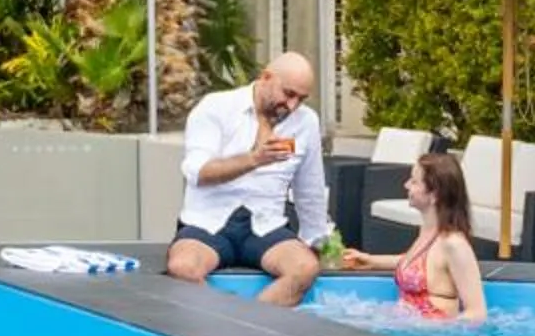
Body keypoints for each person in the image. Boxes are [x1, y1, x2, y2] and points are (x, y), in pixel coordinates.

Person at [167, 52, 330, 305]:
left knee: (304, 269)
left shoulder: (306, 121)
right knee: (183, 268)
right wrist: (254, 159)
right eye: (288, 94)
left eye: (301, 98)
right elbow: (197, 172)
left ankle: (248, 326)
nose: (292, 105)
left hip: (266, 224)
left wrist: (316, 241)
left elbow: (310, 189)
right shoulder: (216, 107)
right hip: (209, 222)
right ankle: (226, 329)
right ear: (265, 78)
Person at [340, 149, 487, 321]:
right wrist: (371, 260)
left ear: (434, 194)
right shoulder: (426, 232)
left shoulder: (454, 244)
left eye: (414, 182)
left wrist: (441, 330)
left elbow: (477, 313)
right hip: (408, 329)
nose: (406, 185)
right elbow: (419, 264)